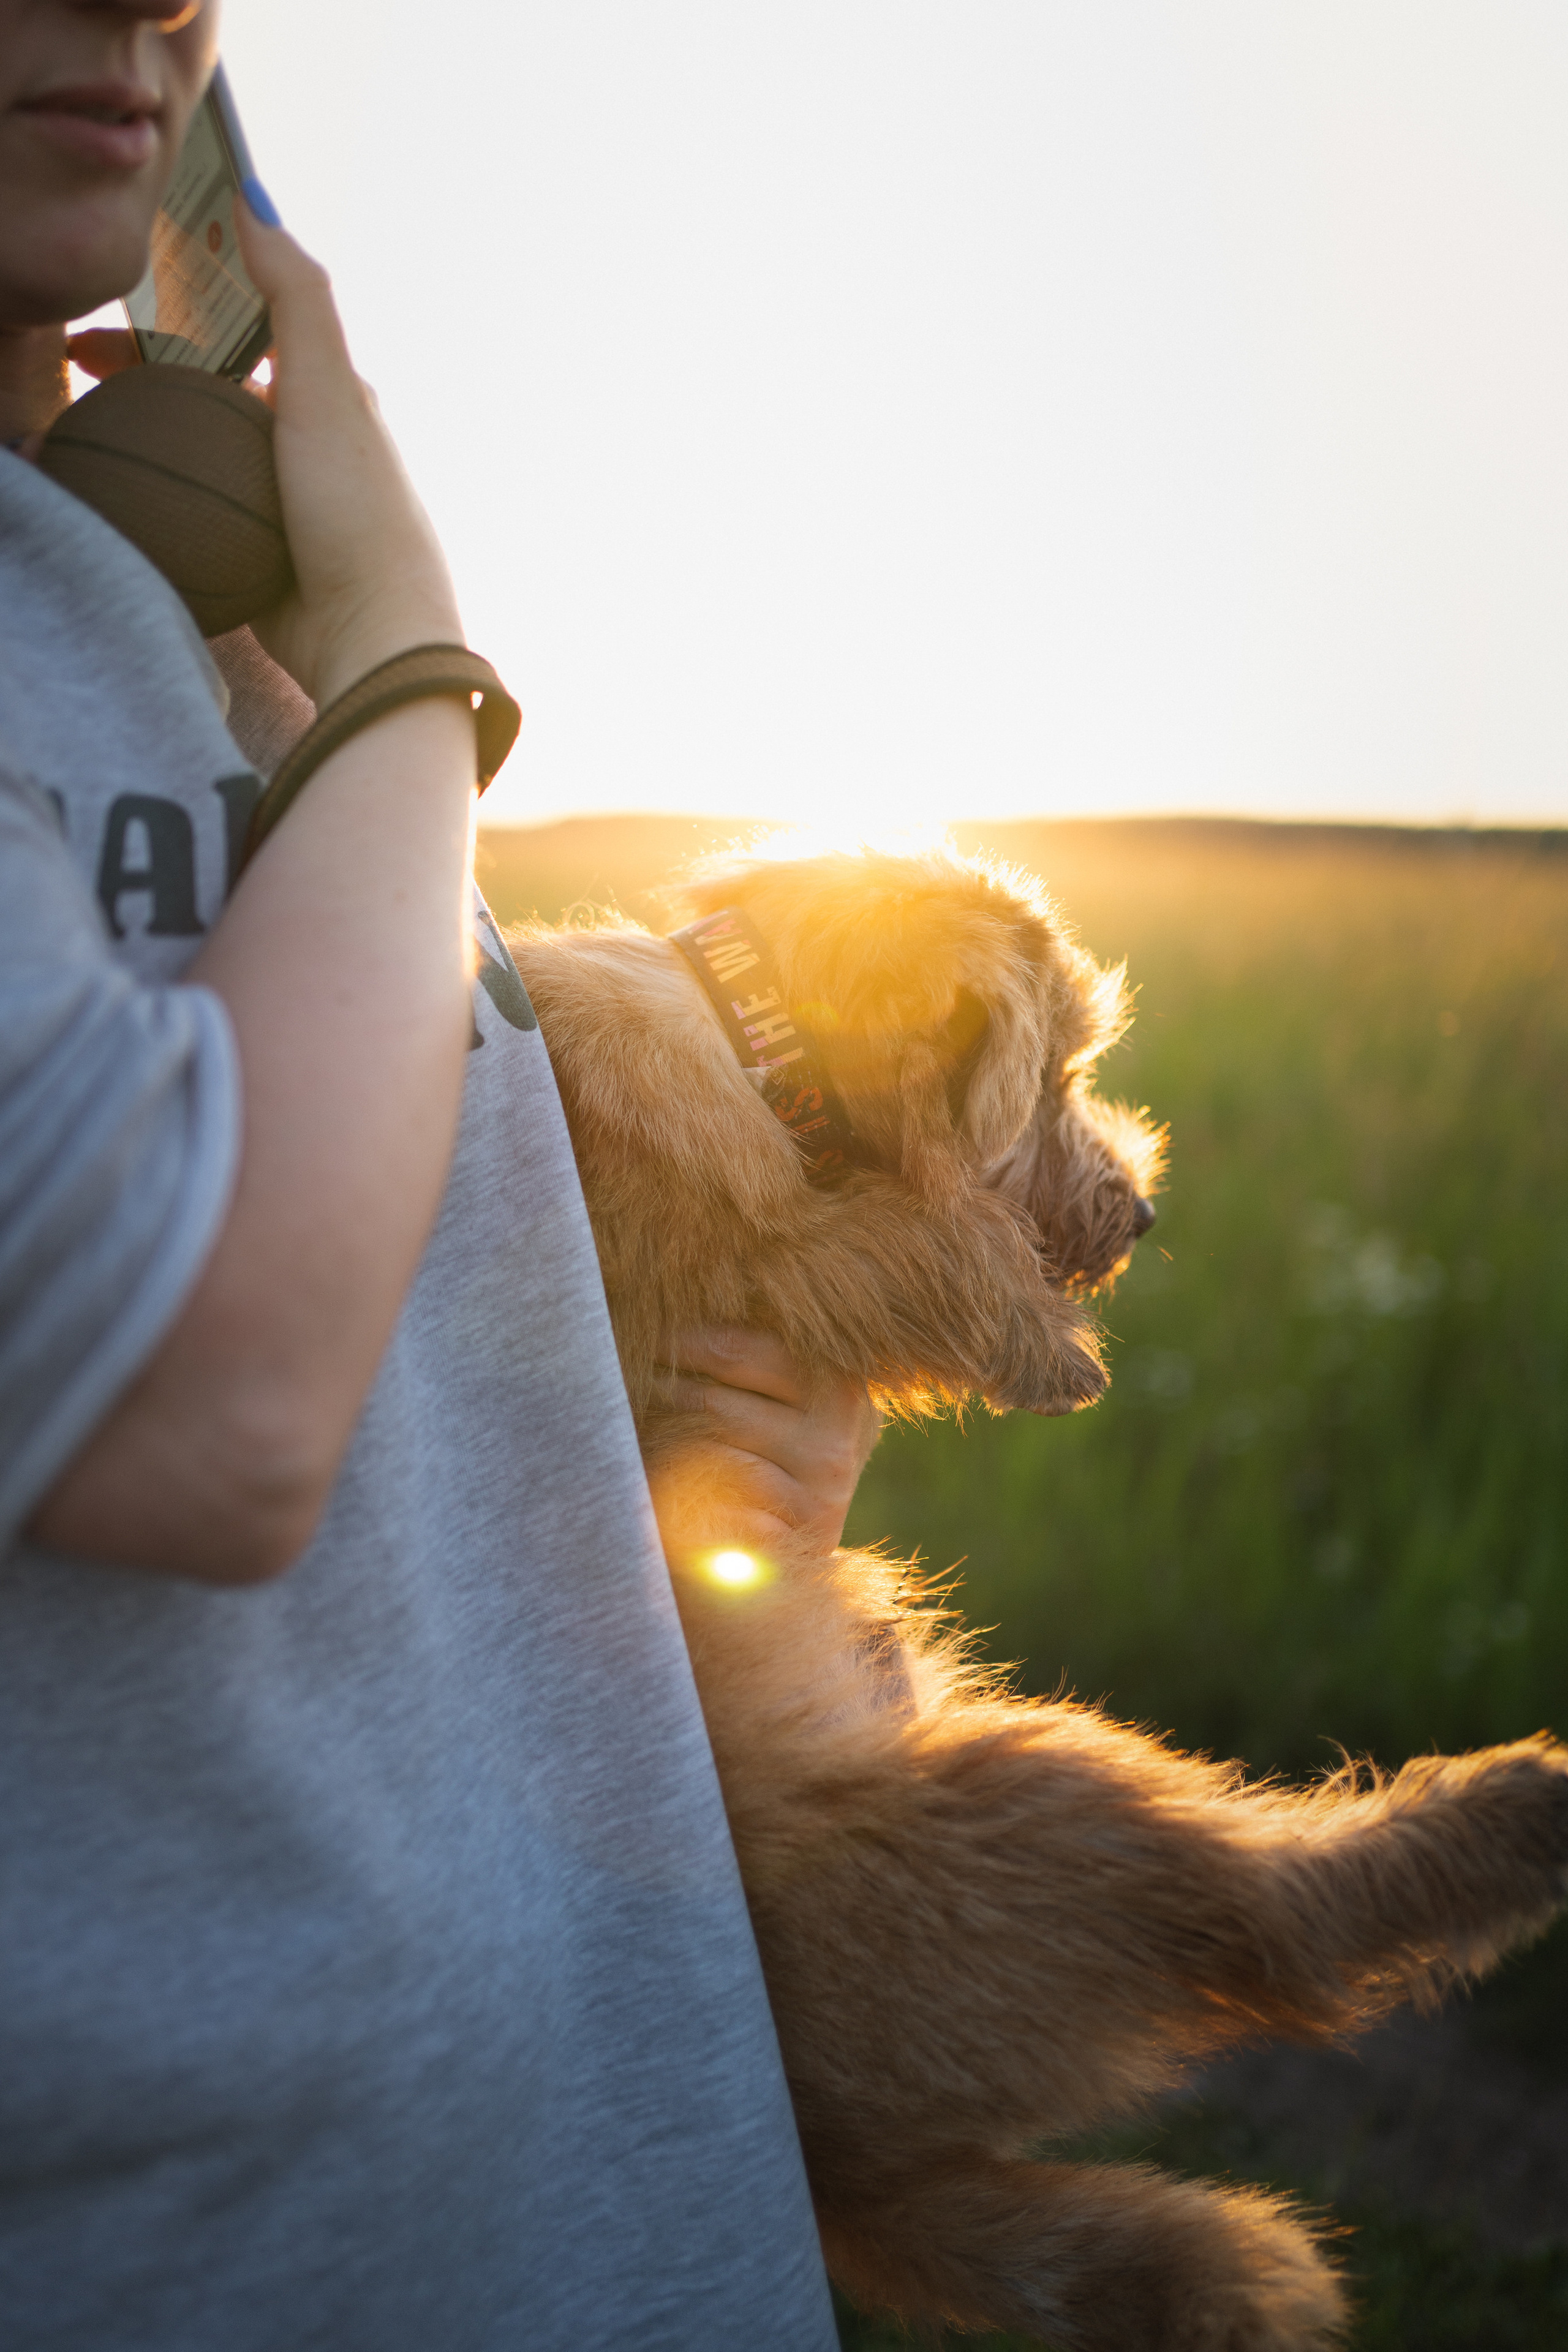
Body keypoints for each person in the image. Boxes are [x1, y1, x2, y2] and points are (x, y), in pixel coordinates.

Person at [0, 6, 878, 2345]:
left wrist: (700, 1476)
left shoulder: (205, 588)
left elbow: (373, 1282)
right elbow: (213, 1406)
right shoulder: (356, 654)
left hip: (591, 2206)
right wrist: (411, 662)